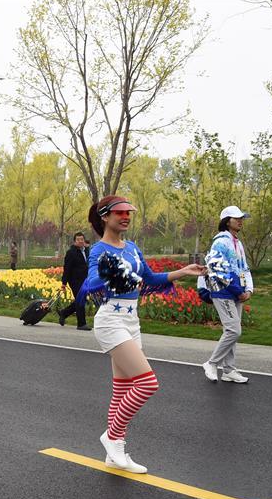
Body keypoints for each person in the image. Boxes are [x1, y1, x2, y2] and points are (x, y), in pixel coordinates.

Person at [80, 196, 204, 473]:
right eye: (120, 213)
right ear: (105, 217)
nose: (126, 217)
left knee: (122, 389)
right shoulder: (99, 250)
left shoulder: (133, 248)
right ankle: (112, 436)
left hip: (131, 321)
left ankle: (114, 454)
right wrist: (113, 273)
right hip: (111, 321)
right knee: (147, 383)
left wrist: (183, 271)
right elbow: (92, 281)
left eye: (128, 212)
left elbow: (151, 279)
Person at [200, 206, 253, 383]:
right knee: (234, 331)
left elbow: (244, 268)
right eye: (236, 218)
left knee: (231, 332)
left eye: (241, 218)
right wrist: (239, 291)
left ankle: (229, 370)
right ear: (227, 221)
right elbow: (218, 271)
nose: (240, 221)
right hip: (222, 292)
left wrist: (248, 289)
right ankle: (212, 363)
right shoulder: (221, 242)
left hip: (236, 293)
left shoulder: (237, 242)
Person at [58, 232, 91, 330]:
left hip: (85, 280)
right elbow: (67, 268)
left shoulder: (86, 251)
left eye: (82, 239)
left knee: (81, 300)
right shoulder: (71, 253)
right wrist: (64, 283)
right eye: (78, 240)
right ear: (74, 241)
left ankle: (64, 313)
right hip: (75, 280)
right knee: (80, 300)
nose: (80, 241)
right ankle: (81, 324)